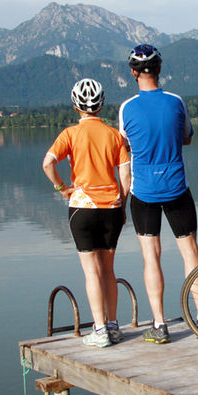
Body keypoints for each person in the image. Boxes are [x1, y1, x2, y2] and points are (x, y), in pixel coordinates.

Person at [118, 44, 198, 344]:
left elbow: (125, 145)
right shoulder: (176, 102)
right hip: (176, 189)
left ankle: (159, 325)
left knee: (151, 258)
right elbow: (186, 137)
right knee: (191, 254)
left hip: (143, 193)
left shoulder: (126, 108)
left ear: (133, 73)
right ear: (159, 70)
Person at [43, 78, 131, 348]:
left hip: (81, 208)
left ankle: (100, 329)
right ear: (102, 105)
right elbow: (126, 176)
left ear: (75, 106)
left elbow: (47, 163)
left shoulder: (69, 134)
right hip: (111, 209)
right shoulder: (115, 136)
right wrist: (122, 204)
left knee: (91, 272)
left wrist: (62, 188)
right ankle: (114, 326)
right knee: (108, 270)